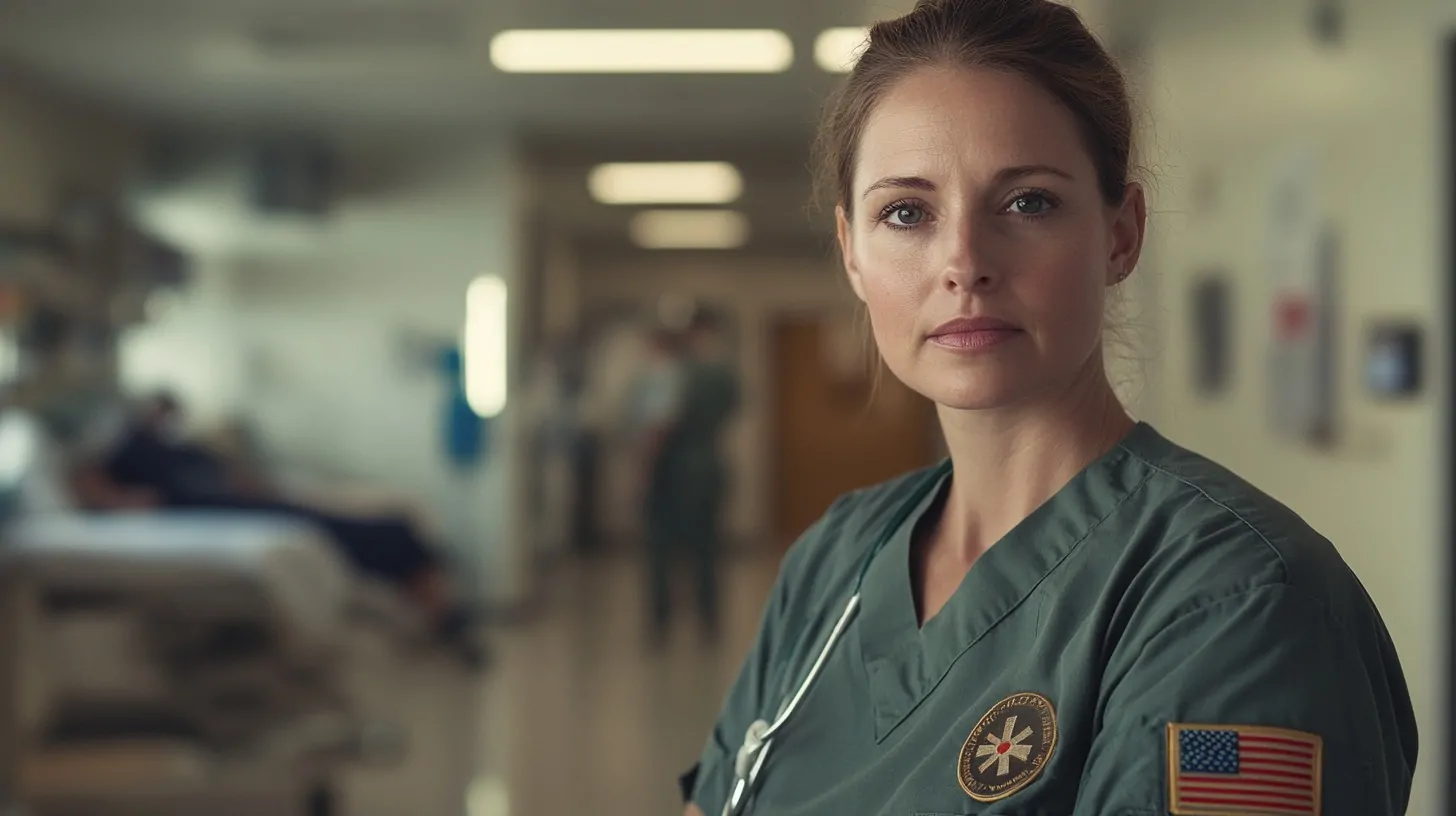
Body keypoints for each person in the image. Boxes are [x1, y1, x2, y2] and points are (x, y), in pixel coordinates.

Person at [682, 1, 1416, 814]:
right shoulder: (834, 561)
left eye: (1026, 202)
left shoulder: (1238, 600)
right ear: (852, 251)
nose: (963, 262)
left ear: (1120, 235)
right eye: (906, 213)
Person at [69, 391, 486, 667]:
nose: (166, 417)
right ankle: (442, 617)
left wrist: (250, 483)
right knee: (376, 532)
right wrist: (125, 504)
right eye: (162, 409)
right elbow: (88, 482)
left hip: (251, 505)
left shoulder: (175, 446)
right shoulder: (122, 449)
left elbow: (230, 473)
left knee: (382, 527)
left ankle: (439, 614)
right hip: (224, 517)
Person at [640, 314, 740, 645]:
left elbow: (661, 425)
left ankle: (661, 621)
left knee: (662, 549)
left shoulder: (672, 375)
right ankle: (708, 621)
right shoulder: (722, 376)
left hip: (672, 471)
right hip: (708, 468)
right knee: (705, 549)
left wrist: (642, 472)